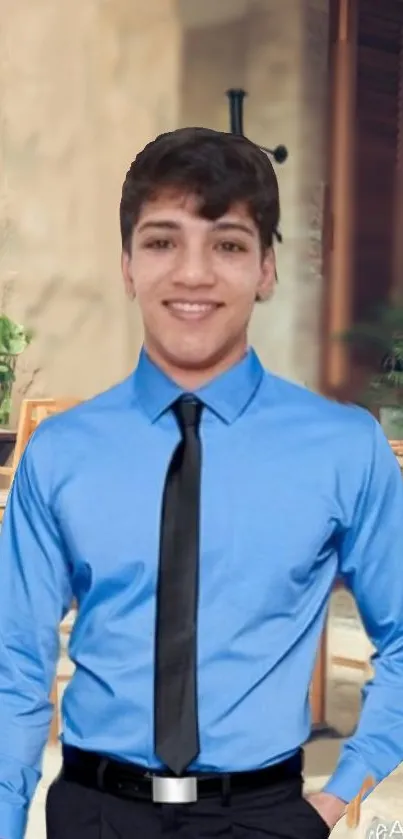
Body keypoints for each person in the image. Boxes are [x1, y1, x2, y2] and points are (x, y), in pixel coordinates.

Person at [0, 127, 403, 839]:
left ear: (266, 268)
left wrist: (340, 792)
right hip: (94, 813)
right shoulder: (60, 453)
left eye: (226, 243)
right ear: (127, 266)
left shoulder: (343, 448)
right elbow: (13, 665)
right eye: (161, 242)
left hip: (263, 817)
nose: (192, 274)